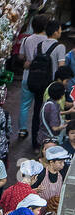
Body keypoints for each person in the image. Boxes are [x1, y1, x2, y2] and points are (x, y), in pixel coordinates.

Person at [32, 21, 67, 149]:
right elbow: (61, 68)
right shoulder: (60, 47)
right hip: (51, 85)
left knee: (38, 113)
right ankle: (49, 143)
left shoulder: (39, 45)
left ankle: (36, 143)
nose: (61, 32)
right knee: (52, 112)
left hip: (37, 83)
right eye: (60, 29)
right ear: (55, 32)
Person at [19, 14, 51, 141]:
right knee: (40, 105)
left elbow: (21, 57)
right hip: (43, 78)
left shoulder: (27, 40)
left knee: (24, 105)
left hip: (27, 76)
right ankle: (37, 132)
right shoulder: (49, 41)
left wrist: (29, 60)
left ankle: (22, 130)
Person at [40, 80, 69, 148]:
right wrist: (65, 126)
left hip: (43, 135)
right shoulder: (53, 107)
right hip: (50, 140)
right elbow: (55, 128)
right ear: (61, 95)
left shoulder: (48, 102)